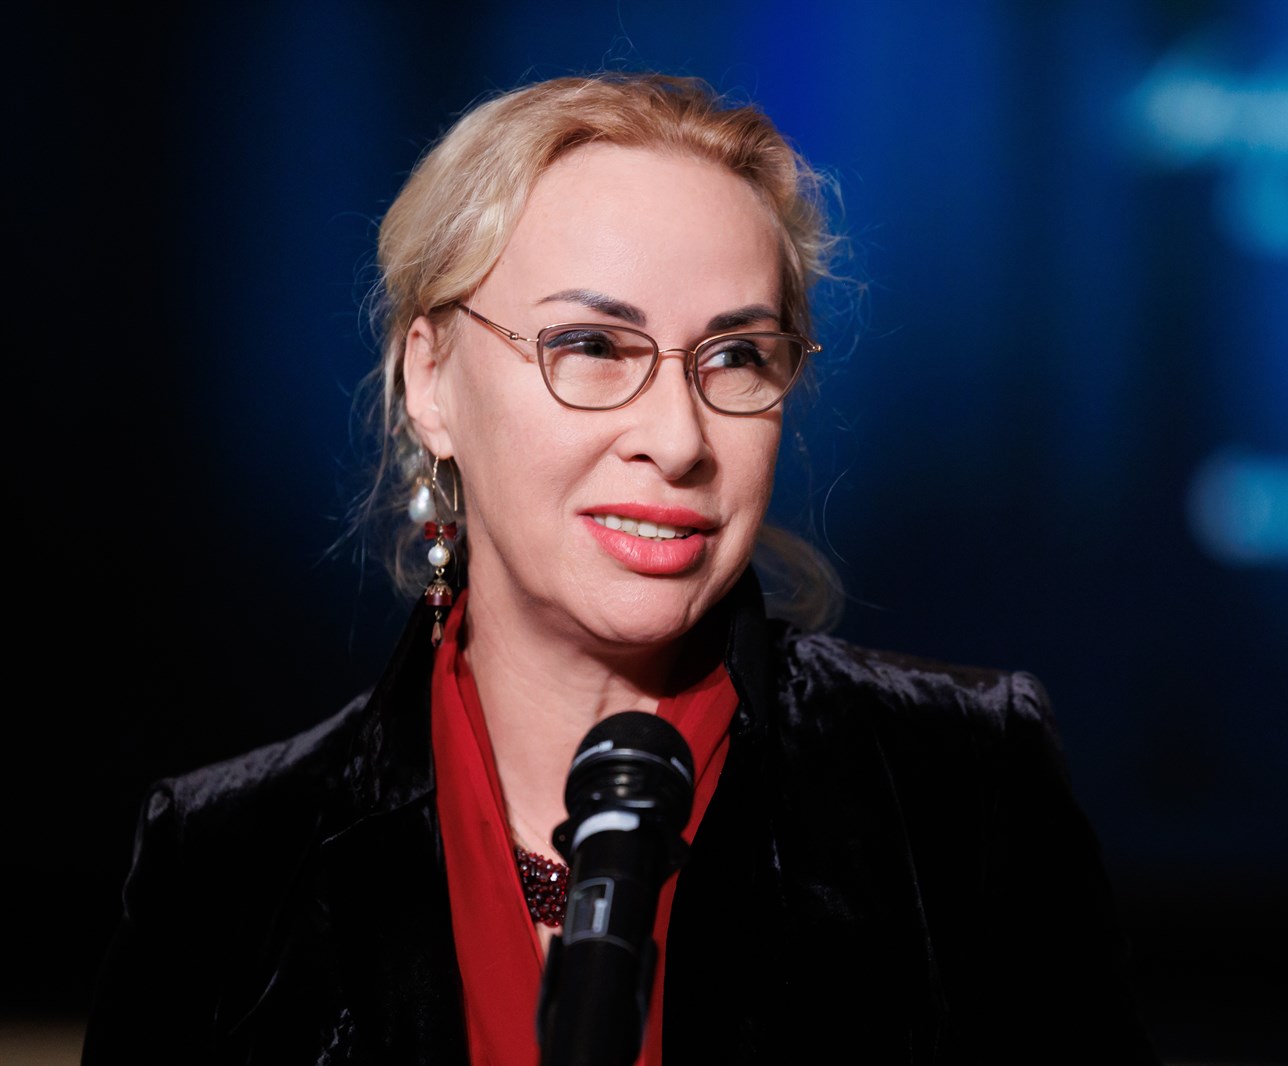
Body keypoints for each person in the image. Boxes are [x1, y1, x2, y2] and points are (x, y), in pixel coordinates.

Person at [82, 72, 1162, 1065]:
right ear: (431, 378)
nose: (678, 438)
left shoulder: (964, 787)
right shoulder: (222, 866)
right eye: (593, 346)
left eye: (736, 356)